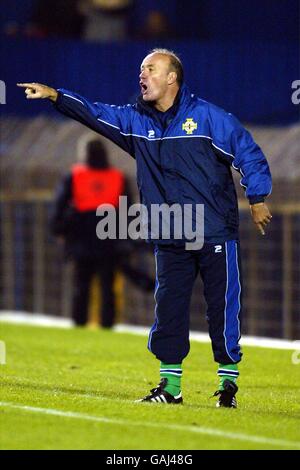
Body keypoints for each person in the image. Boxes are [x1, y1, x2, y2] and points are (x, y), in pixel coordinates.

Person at [17, 48, 272, 408]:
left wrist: (258, 196)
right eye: (141, 69)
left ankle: (227, 386)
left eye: (150, 69)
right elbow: (95, 113)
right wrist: (58, 97)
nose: (142, 75)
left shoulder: (209, 118)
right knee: (168, 308)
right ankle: (171, 387)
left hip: (214, 231)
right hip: (169, 233)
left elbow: (248, 153)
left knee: (222, 307)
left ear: (172, 77)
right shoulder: (137, 122)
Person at [51, 138, 126, 327]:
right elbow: (128, 209)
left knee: (81, 283)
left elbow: (59, 205)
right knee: (107, 285)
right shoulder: (117, 177)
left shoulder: (75, 175)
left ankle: (79, 322)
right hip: (109, 233)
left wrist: (58, 230)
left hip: (81, 234)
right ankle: (108, 324)